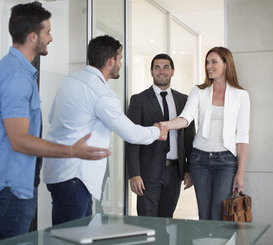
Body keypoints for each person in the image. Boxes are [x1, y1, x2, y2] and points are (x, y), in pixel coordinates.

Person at [0, 3, 110, 239]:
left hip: (12, 185)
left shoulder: (12, 70)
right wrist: (72, 150)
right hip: (14, 188)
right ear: (32, 36)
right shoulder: (16, 77)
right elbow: (19, 140)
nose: (51, 38)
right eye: (47, 32)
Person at [43, 35, 168, 226]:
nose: (120, 63)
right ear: (111, 61)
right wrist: (156, 131)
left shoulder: (68, 81)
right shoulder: (102, 93)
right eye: (120, 58)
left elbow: (52, 118)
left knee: (66, 235)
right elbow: (131, 133)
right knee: (72, 238)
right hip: (76, 176)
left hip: (57, 172)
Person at [160, 47, 250, 220]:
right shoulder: (199, 91)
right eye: (207, 62)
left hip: (226, 161)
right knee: (204, 214)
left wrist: (240, 172)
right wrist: (165, 125)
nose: (209, 66)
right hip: (199, 159)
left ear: (226, 63)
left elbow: (242, 136)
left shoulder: (241, 95)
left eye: (214, 62)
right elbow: (185, 118)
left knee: (218, 214)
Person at [126, 54, 195, 218]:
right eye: (157, 67)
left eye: (166, 67)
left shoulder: (184, 100)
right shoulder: (138, 100)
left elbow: (189, 138)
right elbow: (132, 140)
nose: (161, 71)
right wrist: (134, 174)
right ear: (151, 72)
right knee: (147, 222)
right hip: (148, 174)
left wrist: (189, 169)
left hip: (174, 173)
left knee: (166, 221)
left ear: (173, 71)